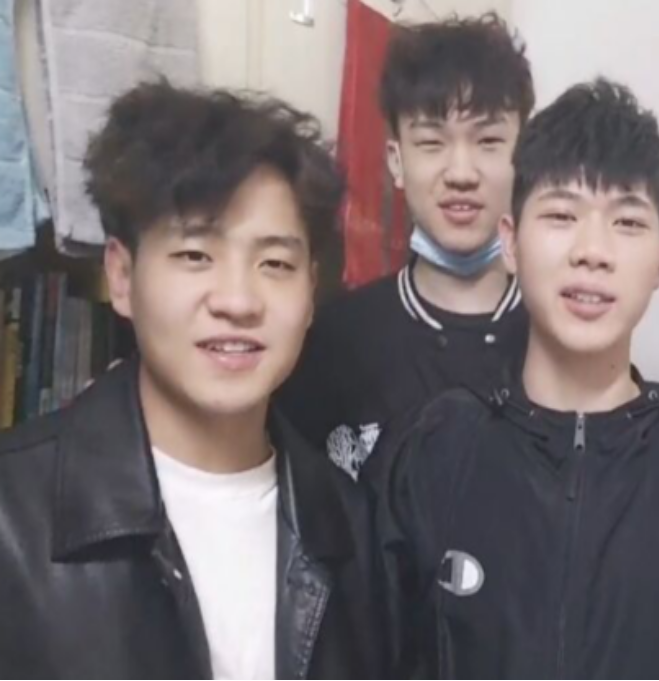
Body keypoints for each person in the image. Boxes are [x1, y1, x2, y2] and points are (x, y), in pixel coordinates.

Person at [378, 79, 659, 679]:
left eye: (627, 223)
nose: (593, 251)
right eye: (561, 215)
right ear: (510, 242)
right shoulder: (433, 453)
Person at [0, 81, 379, 679]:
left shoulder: (352, 527)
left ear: (310, 290)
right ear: (121, 276)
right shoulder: (14, 511)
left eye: (275, 264)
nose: (237, 300)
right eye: (195, 256)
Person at [278, 13, 535, 483]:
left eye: (488, 141)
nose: (461, 173)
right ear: (397, 162)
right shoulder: (333, 340)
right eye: (432, 142)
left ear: (524, 157)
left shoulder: (556, 336)